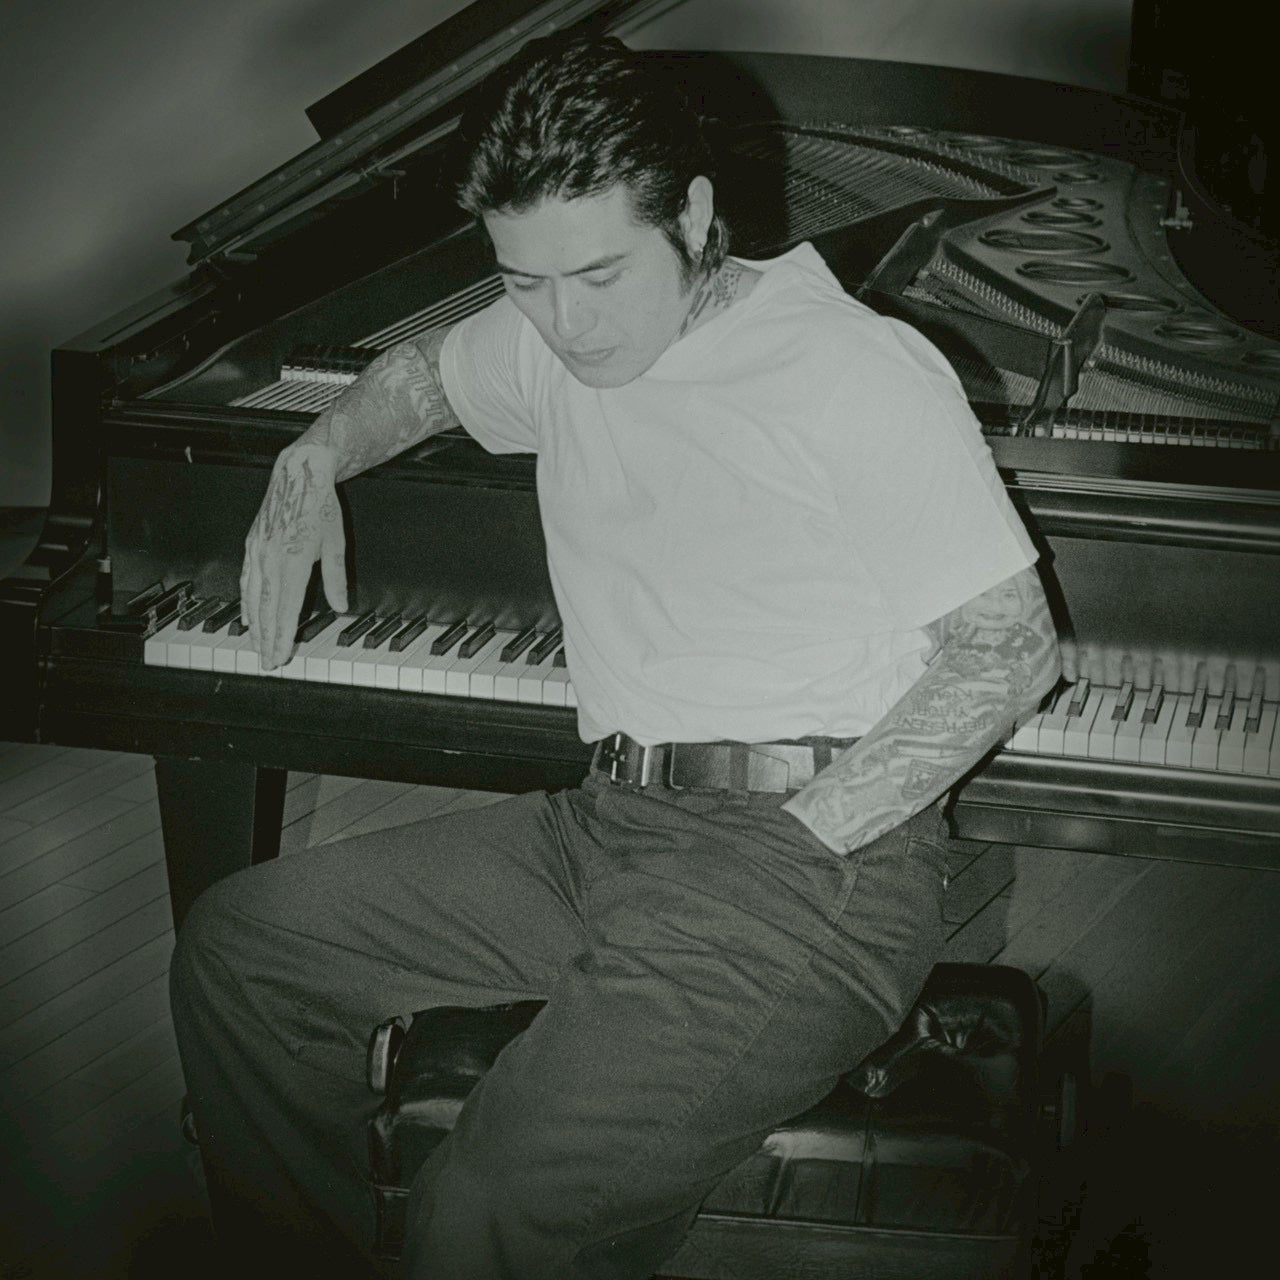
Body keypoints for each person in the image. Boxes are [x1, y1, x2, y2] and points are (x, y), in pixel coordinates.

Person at [170, 31, 1060, 1280]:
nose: (565, 323)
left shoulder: (850, 370)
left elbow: (1007, 648)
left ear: (692, 216)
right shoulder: (549, 334)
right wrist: (315, 454)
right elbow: (425, 374)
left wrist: (807, 838)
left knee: (484, 1202)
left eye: (597, 275)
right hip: (607, 825)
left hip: (805, 867)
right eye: (523, 281)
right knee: (241, 948)